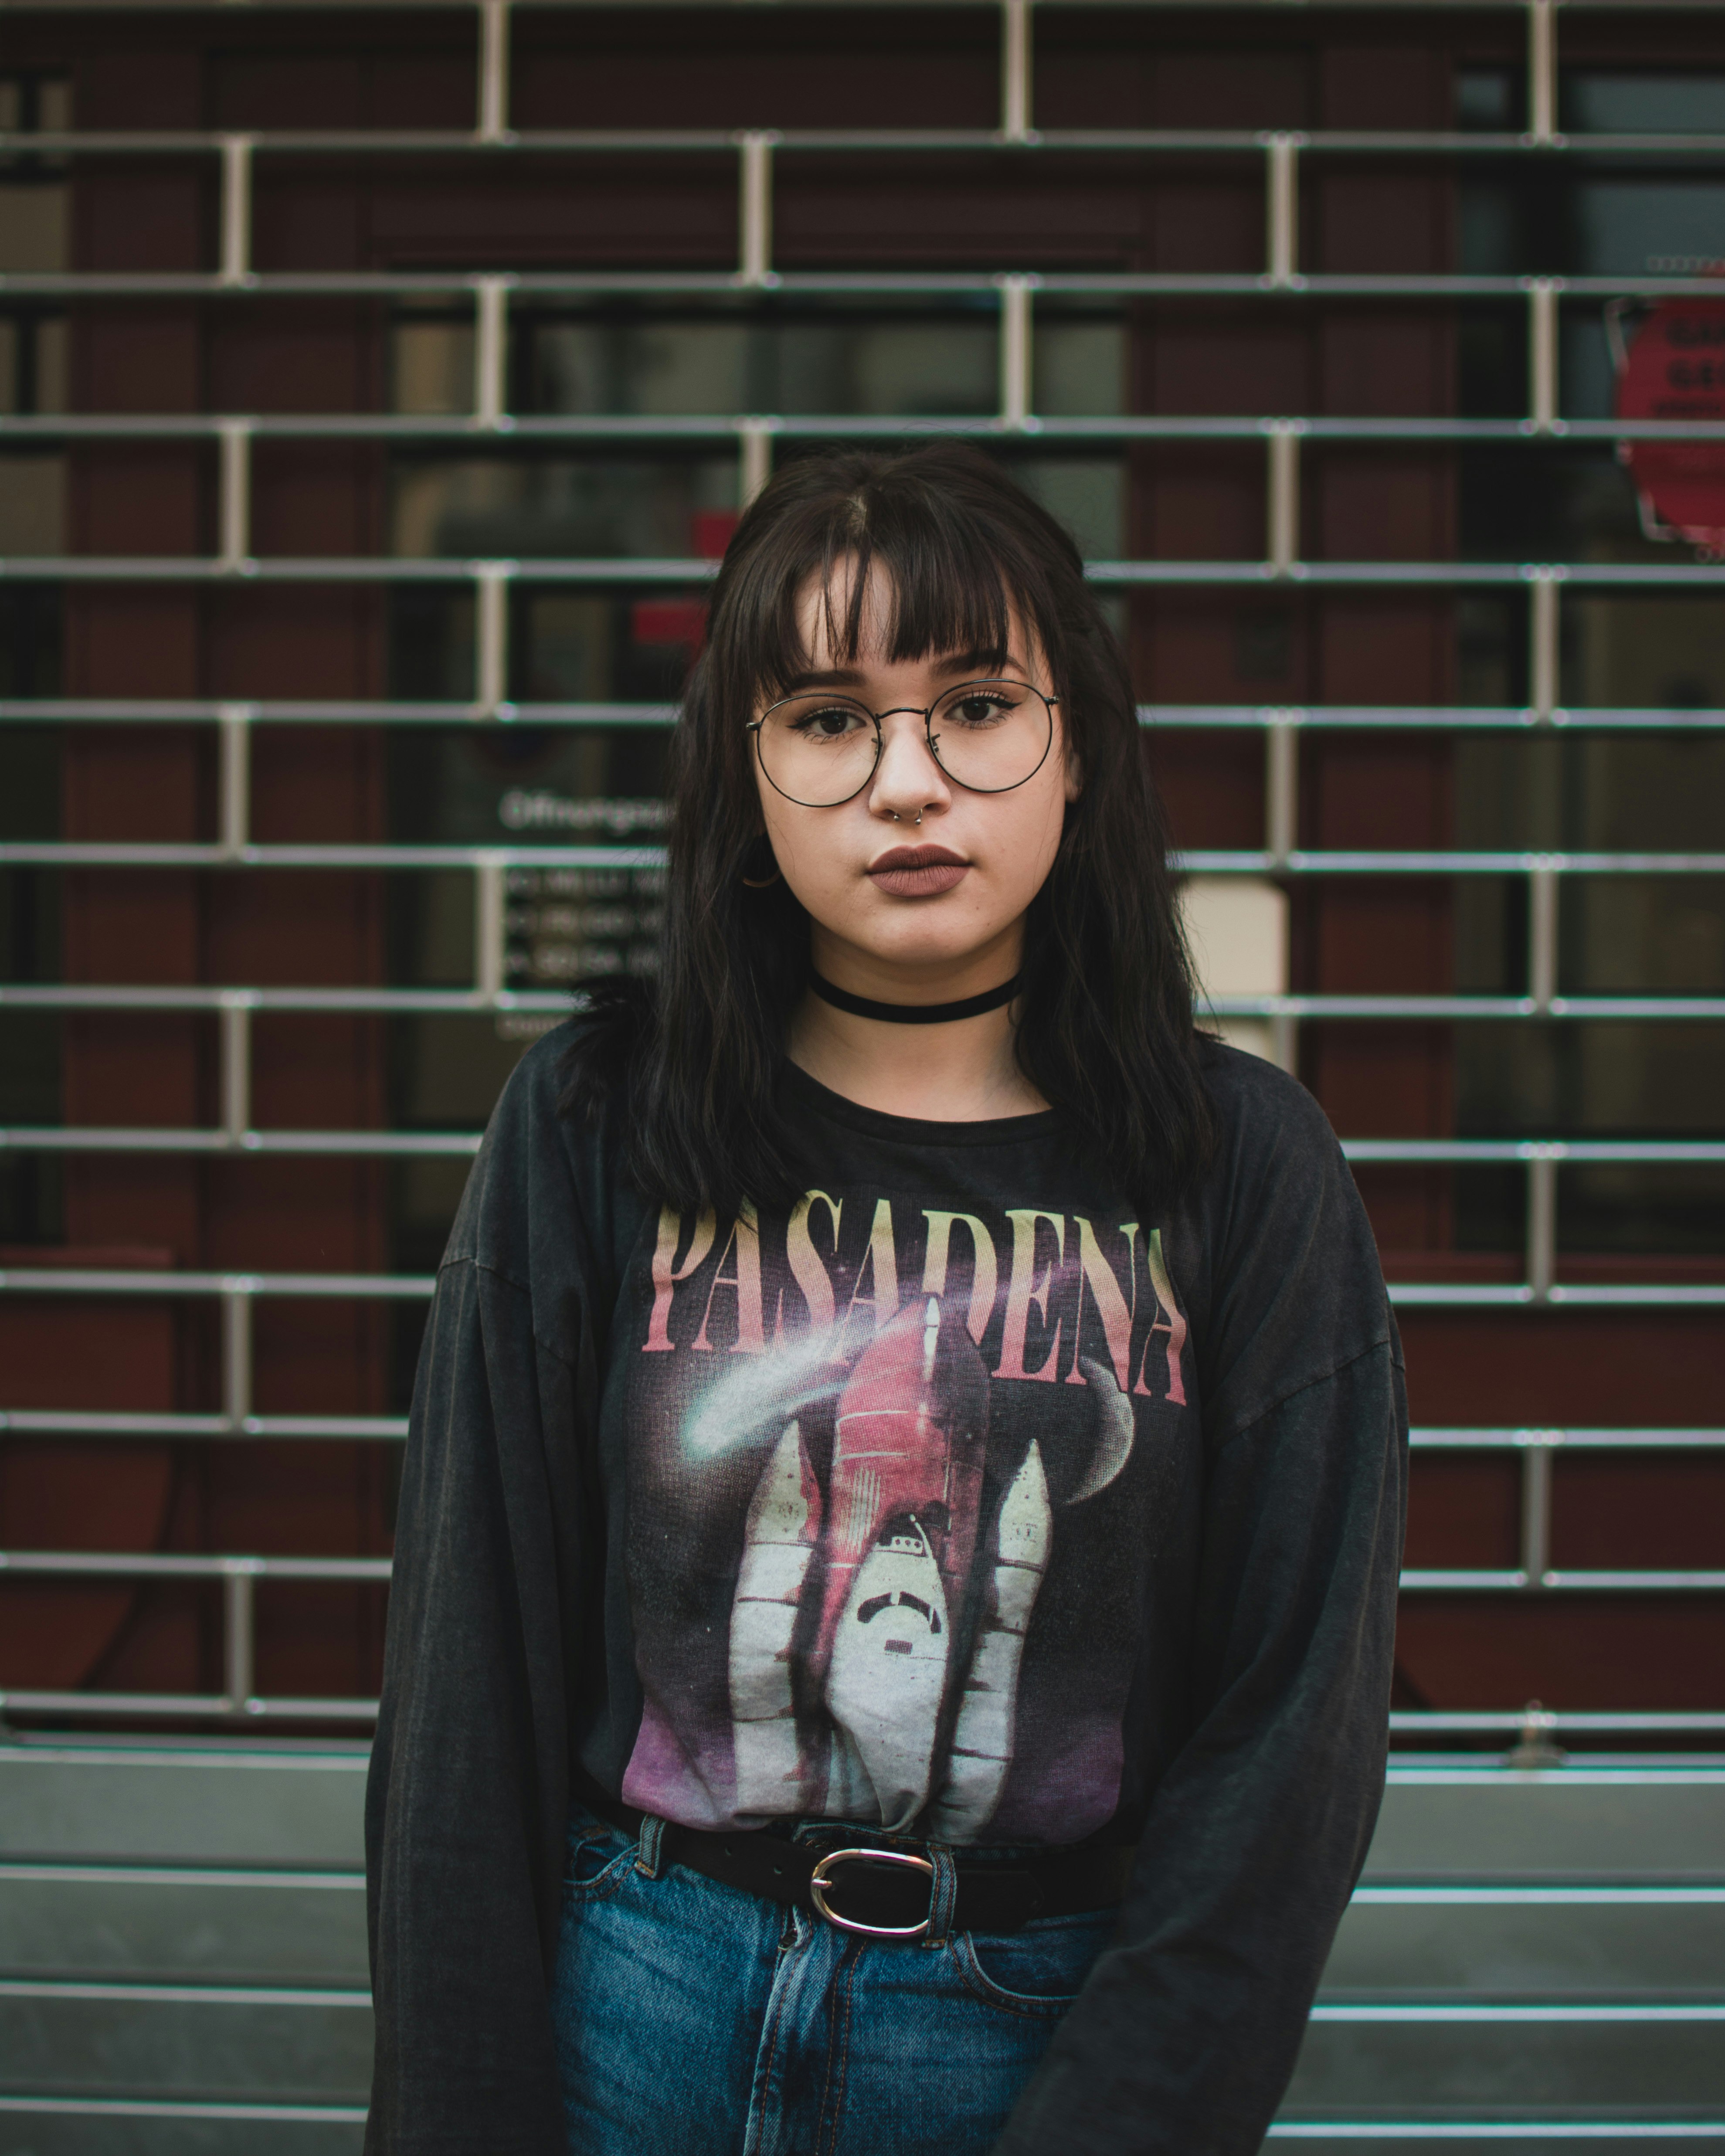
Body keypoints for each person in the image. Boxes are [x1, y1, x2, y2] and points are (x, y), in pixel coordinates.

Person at [364, 443, 1407, 2156]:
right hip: (634, 2000)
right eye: (832, 717)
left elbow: (1292, 1748)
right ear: (748, 773)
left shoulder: (1244, 1166)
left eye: (978, 704)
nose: (908, 780)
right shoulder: (588, 1127)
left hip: (1030, 2031)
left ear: (1077, 751)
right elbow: (461, 1691)